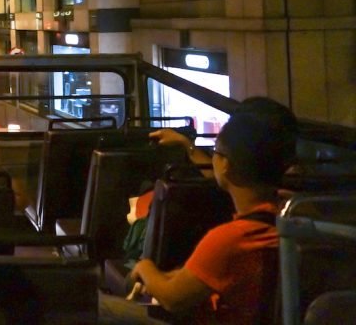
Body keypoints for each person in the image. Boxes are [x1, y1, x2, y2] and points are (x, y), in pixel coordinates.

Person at [127, 98, 297, 324]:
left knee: (102, 306)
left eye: (215, 150)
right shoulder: (294, 213)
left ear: (225, 164)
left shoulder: (229, 240)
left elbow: (172, 298)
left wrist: (145, 267)